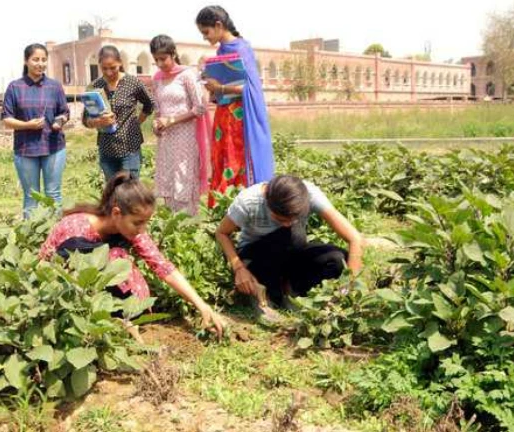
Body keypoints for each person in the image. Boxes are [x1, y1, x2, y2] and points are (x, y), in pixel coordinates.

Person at [39, 172, 225, 338]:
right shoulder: (76, 229)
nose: (142, 229)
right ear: (116, 213)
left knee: (118, 263)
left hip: (95, 290)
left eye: (145, 223)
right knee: (115, 256)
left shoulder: (127, 226)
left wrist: (202, 306)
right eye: (137, 223)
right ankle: (111, 321)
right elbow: (58, 275)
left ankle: (123, 317)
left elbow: (162, 265)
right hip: (59, 291)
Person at [214, 175, 364, 314]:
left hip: (291, 253)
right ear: (267, 202)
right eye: (280, 219)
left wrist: (348, 287)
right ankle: (265, 292)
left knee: (337, 259)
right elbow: (221, 233)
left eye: (293, 218)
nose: (287, 223)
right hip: (257, 258)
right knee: (292, 234)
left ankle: (290, 290)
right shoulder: (249, 201)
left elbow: (355, 239)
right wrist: (239, 268)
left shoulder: (309, 195)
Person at [195, 5, 275, 206]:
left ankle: (241, 206)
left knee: (235, 160)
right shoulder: (221, 51)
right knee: (221, 159)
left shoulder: (241, 49)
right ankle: (223, 208)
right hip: (223, 116)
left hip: (239, 118)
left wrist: (220, 87)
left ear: (218, 25)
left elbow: (251, 88)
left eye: (206, 32)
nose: (204, 37)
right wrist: (209, 81)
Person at [2, 43, 70, 218]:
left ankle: (55, 231)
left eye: (43, 60)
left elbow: (64, 112)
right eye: (35, 59)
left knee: (53, 194)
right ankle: (31, 232)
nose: (40, 64)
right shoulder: (15, 87)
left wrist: (59, 122)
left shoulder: (54, 86)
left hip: (53, 147)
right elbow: (6, 119)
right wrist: (28, 125)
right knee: (31, 196)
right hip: (26, 149)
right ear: (26, 61)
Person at [149, 34, 210, 216]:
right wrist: (157, 124)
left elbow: (200, 108)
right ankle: (172, 221)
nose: (160, 63)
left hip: (186, 138)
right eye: (156, 59)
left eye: (163, 58)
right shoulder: (157, 78)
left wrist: (172, 120)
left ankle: (188, 222)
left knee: (183, 177)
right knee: (168, 177)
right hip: (166, 139)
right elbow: (158, 109)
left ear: (173, 54)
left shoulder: (187, 75)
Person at [82, 45, 155, 182]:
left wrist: (137, 122)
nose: (109, 72)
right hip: (106, 149)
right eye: (104, 68)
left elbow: (150, 103)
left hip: (130, 147)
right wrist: (98, 122)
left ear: (120, 63)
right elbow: (85, 119)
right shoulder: (94, 87)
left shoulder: (132, 82)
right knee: (112, 191)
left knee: (129, 190)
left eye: (113, 67)